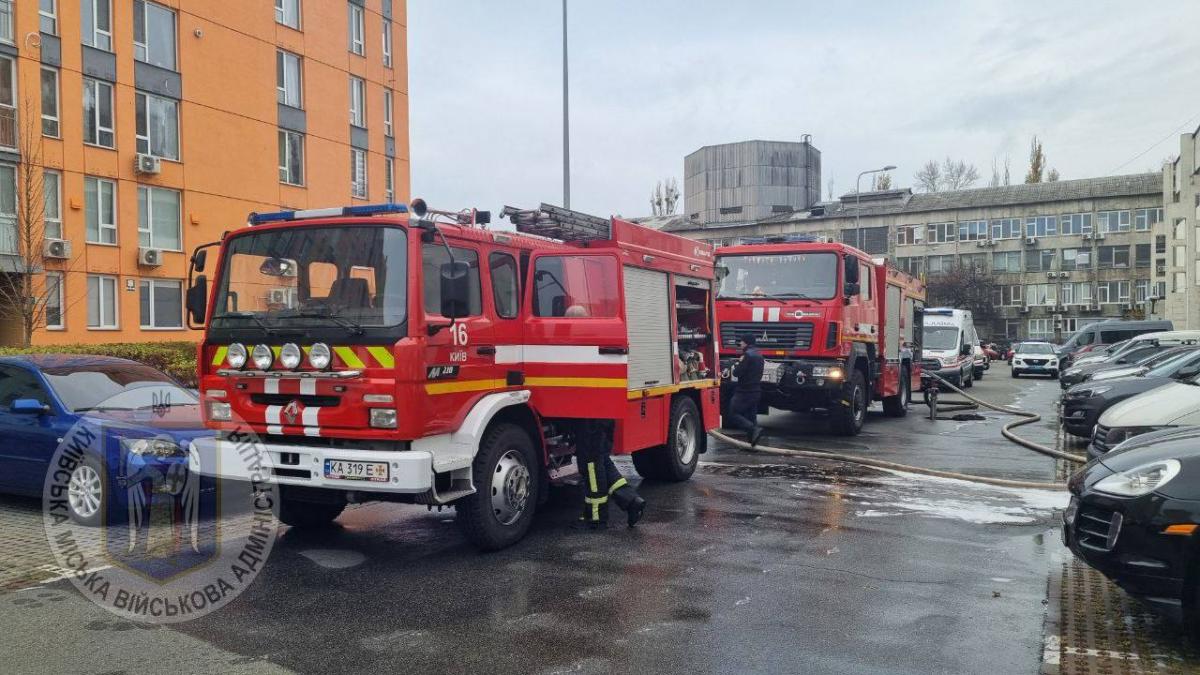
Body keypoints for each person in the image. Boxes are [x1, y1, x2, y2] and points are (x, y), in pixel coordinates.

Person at [572, 420, 647, 530]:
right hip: (602, 419)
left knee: (591, 464)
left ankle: (596, 519)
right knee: (601, 460)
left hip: (590, 421)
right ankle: (631, 501)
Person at [726, 335, 765, 447]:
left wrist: (737, 365)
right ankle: (752, 445)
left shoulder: (747, 355)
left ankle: (753, 429)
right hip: (756, 390)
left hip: (744, 391)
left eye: (742, 342)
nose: (740, 344)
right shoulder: (759, 354)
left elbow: (737, 373)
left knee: (732, 414)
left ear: (746, 343)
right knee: (751, 417)